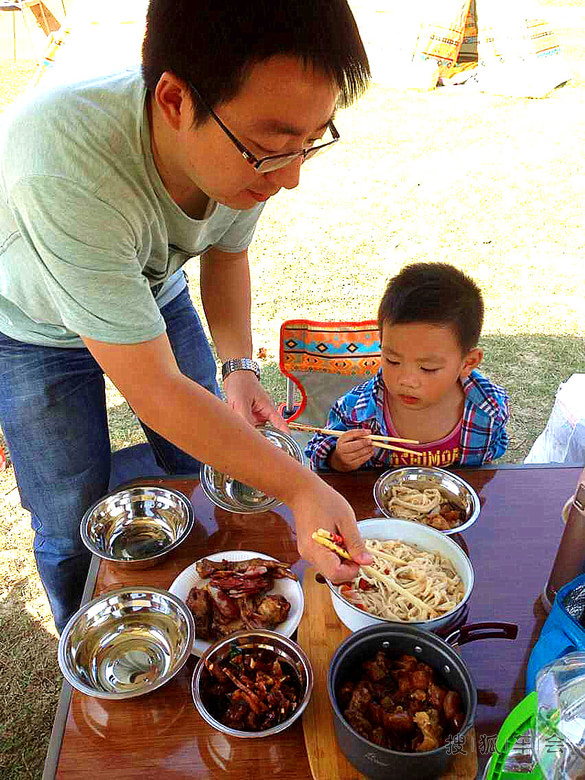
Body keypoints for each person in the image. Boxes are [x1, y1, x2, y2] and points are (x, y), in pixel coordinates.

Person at [0, 0, 373, 633]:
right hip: (32, 326)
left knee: (200, 461)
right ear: (174, 101)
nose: (291, 178)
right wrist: (301, 487)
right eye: (272, 149)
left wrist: (238, 366)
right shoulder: (62, 164)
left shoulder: (245, 150)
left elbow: (227, 253)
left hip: (151, 286)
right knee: (67, 513)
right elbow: (155, 389)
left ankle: (205, 589)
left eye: (310, 143)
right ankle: (81, 628)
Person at [306, 262, 510, 471]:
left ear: (468, 363)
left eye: (428, 368)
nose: (406, 380)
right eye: (392, 360)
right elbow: (318, 454)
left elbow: (489, 461)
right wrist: (338, 459)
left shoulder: (488, 408)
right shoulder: (357, 411)